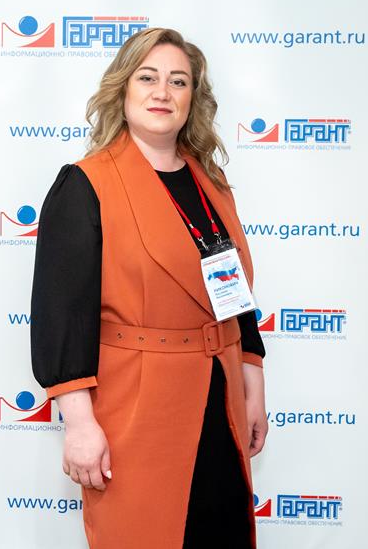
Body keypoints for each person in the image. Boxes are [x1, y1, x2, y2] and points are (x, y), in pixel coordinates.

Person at [30, 27, 268, 549]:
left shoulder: (211, 183)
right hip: (136, 410)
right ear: (122, 88)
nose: (163, 92)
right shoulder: (86, 183)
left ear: (192, 98)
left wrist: (253, 383)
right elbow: (61, 314)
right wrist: (78, 424)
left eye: (178, 81)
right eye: (148, 78)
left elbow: (235, 293)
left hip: (220, 401)